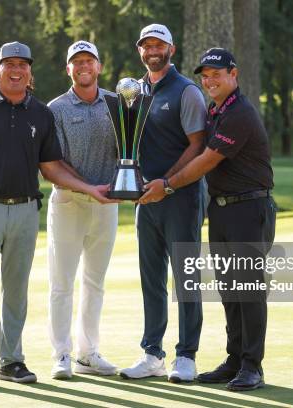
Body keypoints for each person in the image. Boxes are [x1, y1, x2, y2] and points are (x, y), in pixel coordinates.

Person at [0, 41, 114, 388]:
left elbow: (51, 169)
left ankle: (12, 361)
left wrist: (90, 189)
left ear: (30, 72)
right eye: (9, 64)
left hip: (26, 210)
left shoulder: (40, 113)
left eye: (23, 64)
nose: (16, 70)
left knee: (16, 291)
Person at [141, 47, 276, 391]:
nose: (210, 80)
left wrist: (167, 184)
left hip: (249, 208)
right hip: (222, 208)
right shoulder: (217, 110)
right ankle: (234, 360)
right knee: (230, 289)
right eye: (206, 75)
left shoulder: (239, 113)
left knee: (248, 289)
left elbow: (206, 160)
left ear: (234, 74)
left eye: (218, 74)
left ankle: (252, 365)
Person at [119, 24, 207, 383]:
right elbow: (128, 142)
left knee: (185, 276)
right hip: (146, 198)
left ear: (171, 48)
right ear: (141, 51)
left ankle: (186, 355)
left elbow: (197, 145)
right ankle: (152, 353)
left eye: (158, 44)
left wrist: (166, 184)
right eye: (146, 45)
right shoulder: (133, 92)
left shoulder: (186, 91)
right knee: (151, 278)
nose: (152, 50)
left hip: (181, 197)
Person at [46, 40, 119, 380]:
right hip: (69, 203)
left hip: (108, 206)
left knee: (95, 282)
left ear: (99, 66)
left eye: (89, 60)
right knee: (62, 283)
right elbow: (54, 162)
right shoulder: (56, 108)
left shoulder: (119, 104)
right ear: (68, 69)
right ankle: (61, 354)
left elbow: (129, 151)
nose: (83, 66)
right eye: (77, 61)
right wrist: (90, 188)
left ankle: (87, 354)